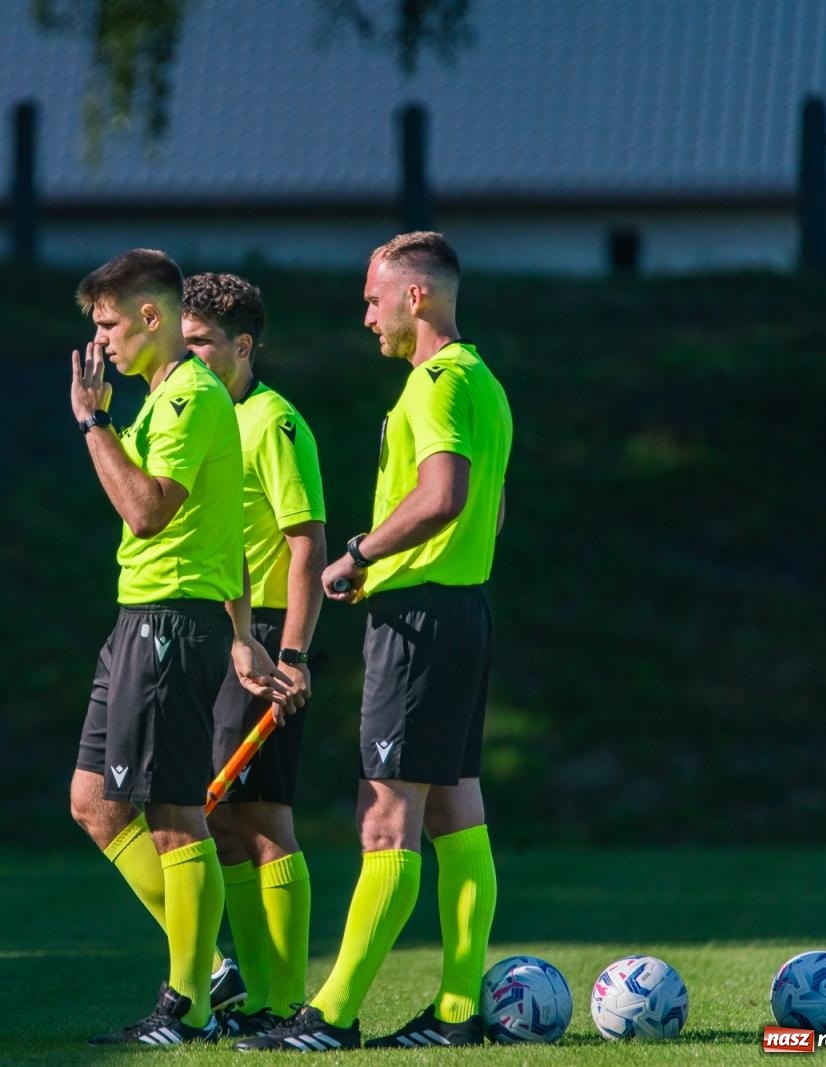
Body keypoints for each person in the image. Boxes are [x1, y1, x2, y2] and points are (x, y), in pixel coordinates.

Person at [237, 231, 513, 1052]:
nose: (367, 316)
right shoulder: (484, 381)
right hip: (464, 611)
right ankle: (459, 1013)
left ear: (416, 296)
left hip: (420, 622)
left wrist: (360, 553)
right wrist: (399, 560)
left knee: (385, 814)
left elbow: (444, 495)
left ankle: (333, 1015)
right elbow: (488, 512)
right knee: (457, 810)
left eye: (372, 298)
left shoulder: (433, 383)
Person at [66, 248, 300, 1047]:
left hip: (167, 621)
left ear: (150, 317)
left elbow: (146, 512)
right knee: (93, 801)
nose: (101, 342)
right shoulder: (167, 399)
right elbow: (226, 534)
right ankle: (205, 966)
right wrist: (241, 636)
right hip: (144, 617)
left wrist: (92, 423)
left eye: (107, 324)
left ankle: (187, 1002)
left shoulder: (188, 400)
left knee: (172, 815)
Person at [181, 273, 326, 1037]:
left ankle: (283, 1000)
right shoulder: (202, 419)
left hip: (265, 632)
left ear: (242, 345)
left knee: (264, 817)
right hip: (217, 632)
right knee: (222, 818)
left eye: (201, 342)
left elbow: (307, 544)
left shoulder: (273, 422)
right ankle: (256, 994)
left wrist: (292, 651)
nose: (189, 356)